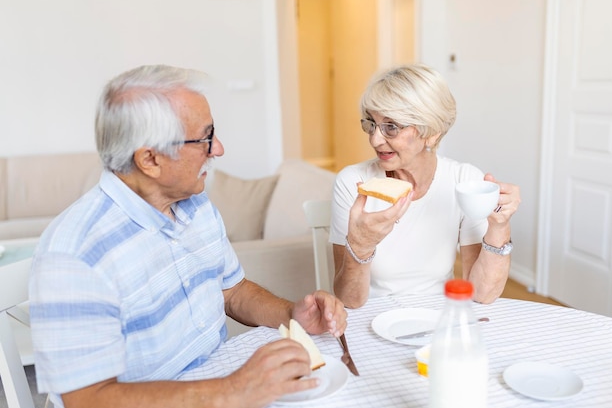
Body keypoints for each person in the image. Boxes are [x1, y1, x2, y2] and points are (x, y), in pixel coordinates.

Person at [29, 64, 347, 408]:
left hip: (211, 386)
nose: (219, 149)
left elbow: (233, 291)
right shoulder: (75, 255)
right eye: (205, 138)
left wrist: (291, 314)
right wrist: (233, 390)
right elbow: (87, 400)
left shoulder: (195, 204)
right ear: (150, 159)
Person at [329, 63, 521, 309]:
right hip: (371, 319)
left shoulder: (463, 180)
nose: (375, 139)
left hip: (439, 319)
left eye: (391, 126)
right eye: (371, 124)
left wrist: (499, 227)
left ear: (432, 132)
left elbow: (481, 294)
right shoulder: (352, 183)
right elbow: (349, 300)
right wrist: (360, 244)